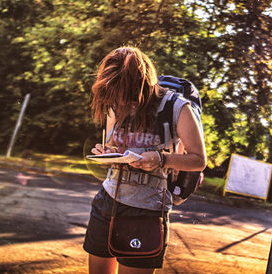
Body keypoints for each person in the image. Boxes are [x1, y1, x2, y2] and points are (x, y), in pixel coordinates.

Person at [83, 46, 206, 274]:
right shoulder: (114, 102)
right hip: (106, 202)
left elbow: (199, 160)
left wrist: (160, 158)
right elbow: (117, 145)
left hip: (147, 211)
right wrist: (107, 152)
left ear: (141, 84)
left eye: (125, 94)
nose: (120, 103)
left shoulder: (177, 107)